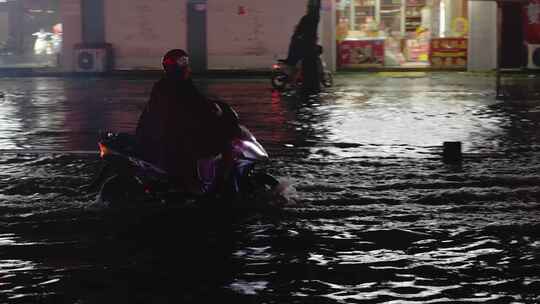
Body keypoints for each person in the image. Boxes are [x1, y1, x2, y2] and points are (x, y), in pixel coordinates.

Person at [135, 49, 239, 194]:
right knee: (196, 147)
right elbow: (186, 108)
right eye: (184, 65)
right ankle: (194, 188)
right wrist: (208, 113)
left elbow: (199, 101)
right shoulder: (169, 86)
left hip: (170, 130)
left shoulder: (179, 83)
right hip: (164, 135)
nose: (187, 68)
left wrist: (215, 107)